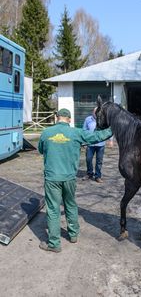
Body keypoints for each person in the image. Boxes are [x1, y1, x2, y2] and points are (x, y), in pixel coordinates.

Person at [38, 108, 112, 253]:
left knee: (53, 210)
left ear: (56, 118)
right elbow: (97, 137)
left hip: (52, 177)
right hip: (69, 177)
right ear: (70, 120)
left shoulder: (46, 133)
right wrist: (112, 128)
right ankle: (73, 235)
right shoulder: (76, 133)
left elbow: (41, 150)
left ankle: (54, 243)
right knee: (70, 204)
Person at [82, 107, 106, 183]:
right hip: (90, 144)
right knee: (88, 159)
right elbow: (84, 130)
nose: (96, 114)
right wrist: (84, 141)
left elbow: (107, 129)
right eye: (95, 112)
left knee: (99, 161)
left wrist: (111, 140)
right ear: (93, 112)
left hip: (101, 144)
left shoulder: (104, 119)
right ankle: (89, 173)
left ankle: (98, 176)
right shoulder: (88, 119)